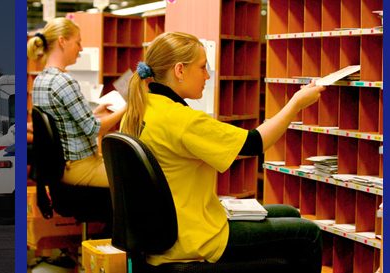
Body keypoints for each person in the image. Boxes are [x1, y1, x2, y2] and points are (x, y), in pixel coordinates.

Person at [120, 32, 326, 270]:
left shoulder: (139, 111)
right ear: (179, 70)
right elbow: (253, 144)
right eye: (202, 67)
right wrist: (295, 104)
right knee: (309, 235)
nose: (207, 76)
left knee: (287, 212)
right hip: (194, 238)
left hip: (163, 232)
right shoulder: (182, 120)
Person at [28, 18, 125, 188]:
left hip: (63, 167)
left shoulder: (40, 80)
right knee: (138, 178)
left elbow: (63, 123)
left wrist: (95, 114)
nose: (80, 49)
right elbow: (95, 129)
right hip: (81, 167)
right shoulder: (64, 81)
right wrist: (127, 108)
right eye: (78, 42)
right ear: (62, 41)